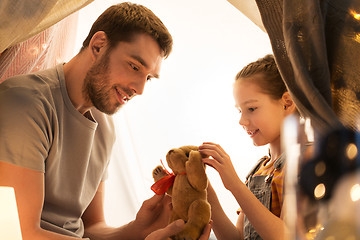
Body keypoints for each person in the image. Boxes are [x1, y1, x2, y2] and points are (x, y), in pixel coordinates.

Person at [0, 2, 211, 240]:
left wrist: (140, 229)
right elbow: (19, 233)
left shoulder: (105, 126)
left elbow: (92, 228)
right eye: (134, 66)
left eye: (148, 78)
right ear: (98, 45)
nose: (140, 89)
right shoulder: (24, 103)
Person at [199, 54, 297, 240]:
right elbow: (236, 238)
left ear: (287, 102)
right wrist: (203, 188)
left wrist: (234, 185)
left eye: (251, 109)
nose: (242, 121)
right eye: (239, 111)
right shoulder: (259, 170)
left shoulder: (305, 161)